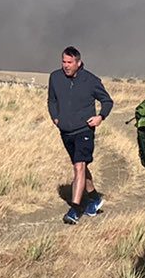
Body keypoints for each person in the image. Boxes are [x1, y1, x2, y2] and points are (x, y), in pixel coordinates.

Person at [47, 45, 114, 224]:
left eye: (69, 62)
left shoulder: (90, 80)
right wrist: (55, 118)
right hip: (65, 131)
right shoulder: (55, 77)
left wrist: (100, 117)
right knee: (81, 167)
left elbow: (107, 101)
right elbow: (52, 100)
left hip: (84, 130)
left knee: (79, 166)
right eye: (63, 61)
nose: (66, 65)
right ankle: (94, 198)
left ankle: (75, 209)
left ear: (78, 62)